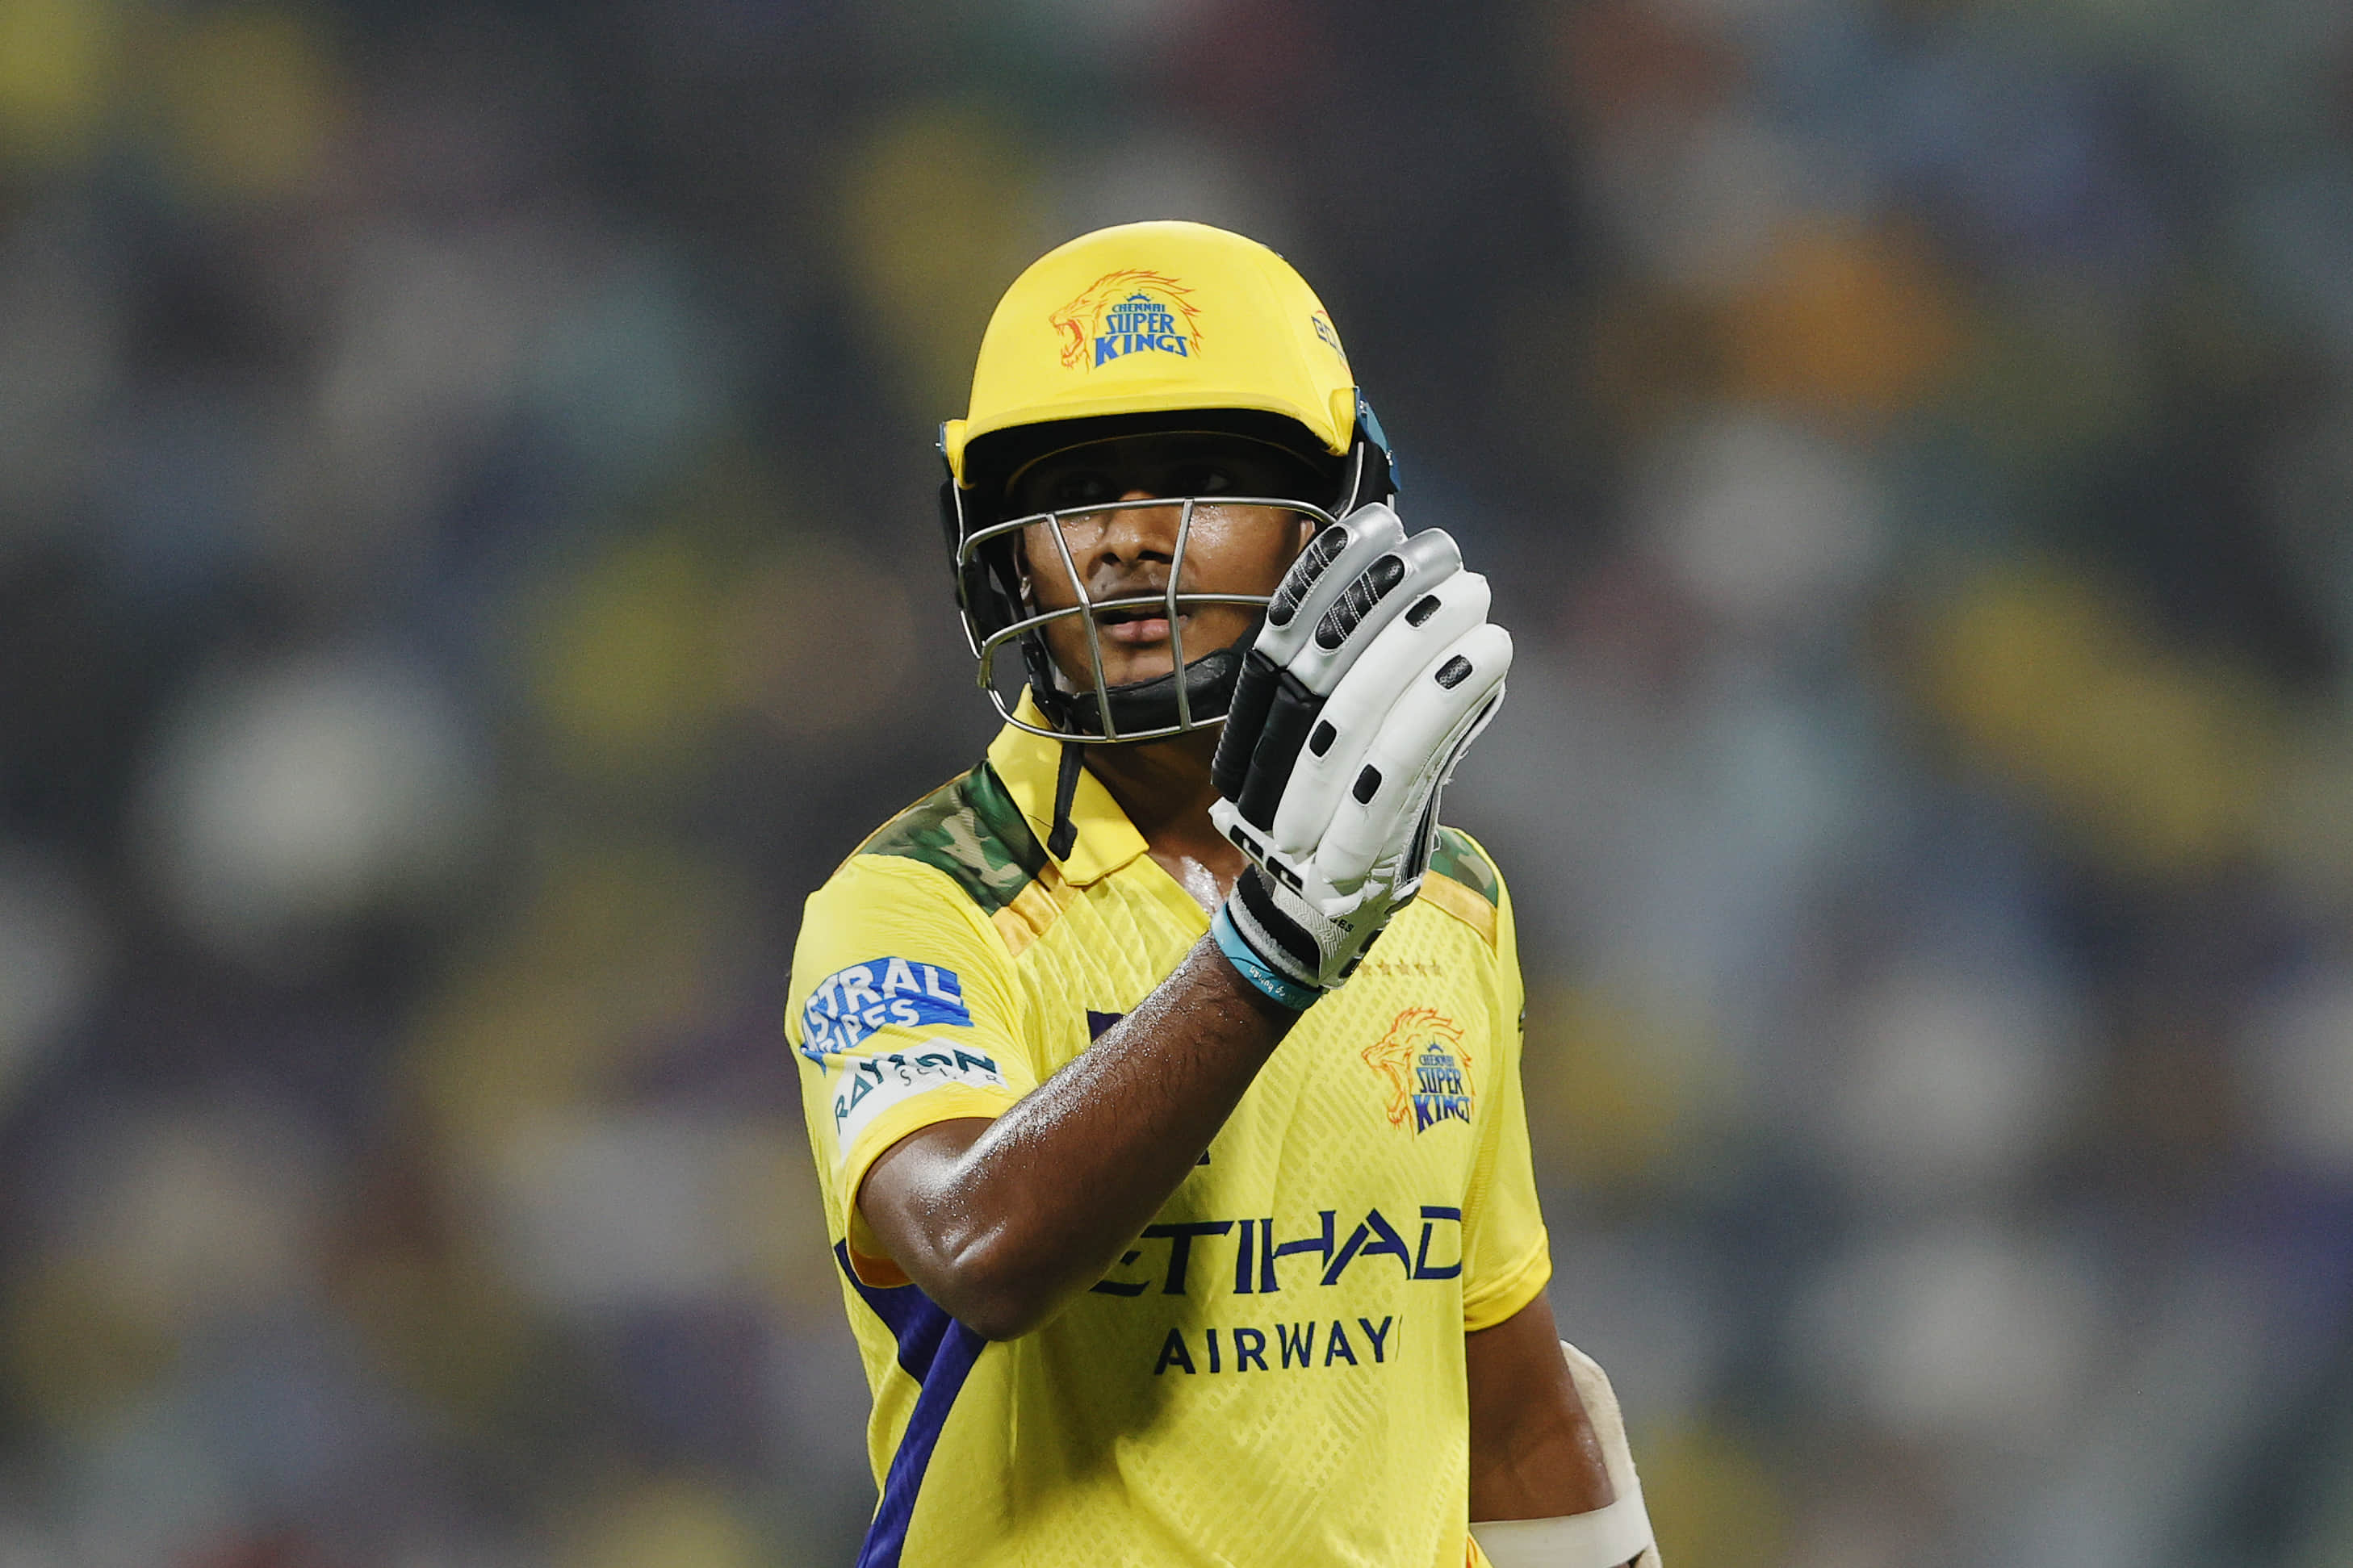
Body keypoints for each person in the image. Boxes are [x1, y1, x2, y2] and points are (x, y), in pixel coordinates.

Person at [789, 220, 1656, 1568]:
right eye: (1078, 492)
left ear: (1331, 527)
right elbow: (977, 1249)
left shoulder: (1450, 900)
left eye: (1203, 480)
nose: (1133, 541)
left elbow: (1511, 1406)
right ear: (1001, 553)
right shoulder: (916, 902)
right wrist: (1275, 942)